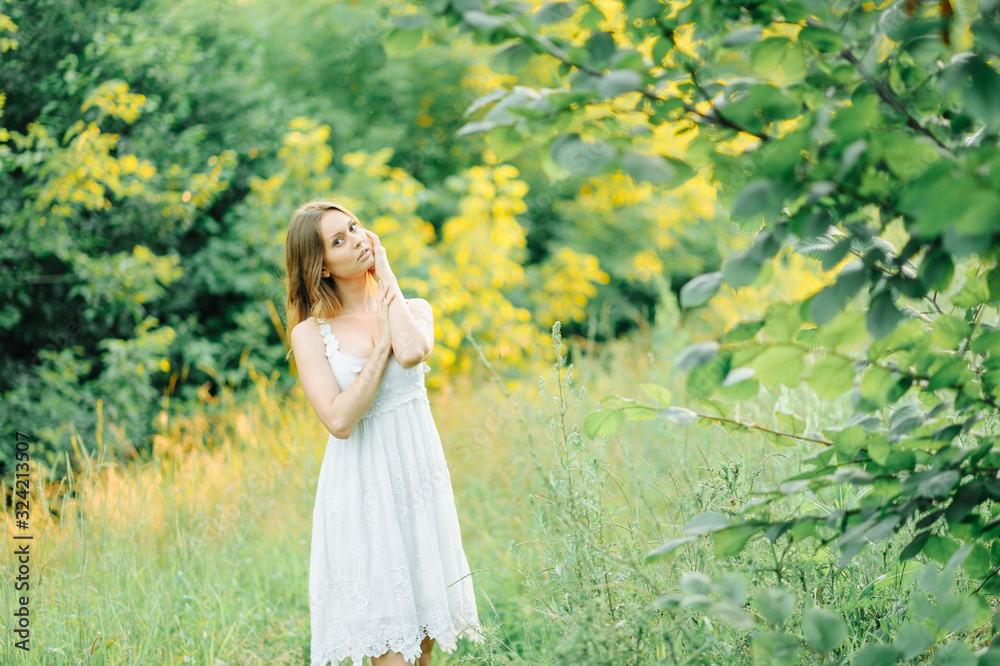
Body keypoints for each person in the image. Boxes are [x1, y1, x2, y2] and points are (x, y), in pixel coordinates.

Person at [284, 200, 484, 666]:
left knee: (423, 649)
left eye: (355, 228)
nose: (356, 240)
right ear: (322, 266)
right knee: (392, 653)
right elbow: (339, 421)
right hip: (364, 494)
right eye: (338, 241)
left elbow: (412, 352)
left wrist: (386, 275)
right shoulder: (310, 334)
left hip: (418, 485)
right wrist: (379, 349)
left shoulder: (413, 309)